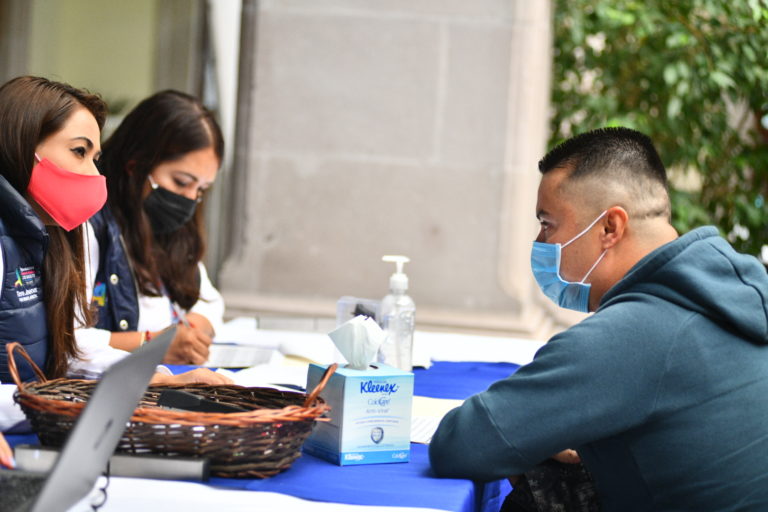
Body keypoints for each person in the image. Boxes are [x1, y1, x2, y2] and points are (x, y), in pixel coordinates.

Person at [429, 127, 768, 511]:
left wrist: (539, 440)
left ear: (610, 227)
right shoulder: (734, 301)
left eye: (548, 224)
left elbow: (461, 445)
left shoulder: (632, 335)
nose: (540, 244)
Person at [0, 77, 229, 443]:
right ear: (21, 145)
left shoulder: (51, 234)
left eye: (96, 158)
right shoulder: (68, 230)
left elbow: (70, 350)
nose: (94, 174)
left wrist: (156, 380)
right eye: (79, 151)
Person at [80, 90, 225, 365]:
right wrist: (152, 344)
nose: (190, 199)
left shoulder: (173, 229)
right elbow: (70, 342)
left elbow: (209, 302)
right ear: (136, 166)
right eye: (182, 182)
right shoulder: (89, 226)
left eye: (201, 189)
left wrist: (193, 330)